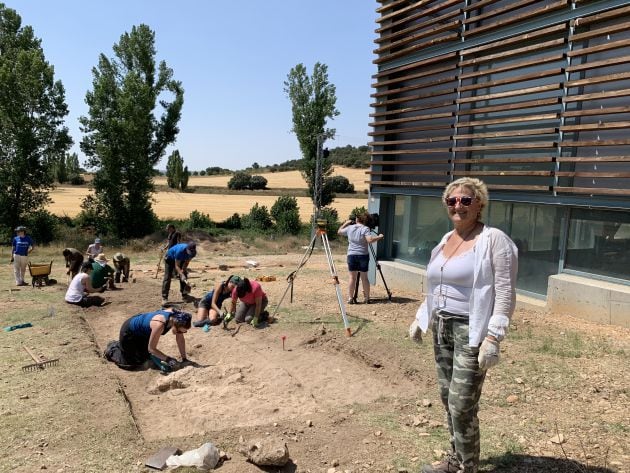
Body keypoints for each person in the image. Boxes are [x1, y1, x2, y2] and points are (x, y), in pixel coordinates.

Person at [411, 178, 518, 473]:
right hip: (442, 327)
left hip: (472, 331)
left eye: (466, 200)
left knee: (461, 404)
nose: (459, 205)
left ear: (479, 204)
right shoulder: (447, 239)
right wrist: (423, 317)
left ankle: (468, 468)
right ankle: (455, 459)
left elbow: (505, 292)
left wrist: (494, 336)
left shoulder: (493, 239)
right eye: (453, 201)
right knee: (447, 398)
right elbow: (436, 284)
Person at [105, 308, 192, 373]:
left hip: (143, 333)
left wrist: (184, 359)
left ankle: (124, 346)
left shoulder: (177, 316)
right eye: (180, 331)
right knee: (133, 363)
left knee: (145, 357)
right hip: (129, 332)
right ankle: (112, 349)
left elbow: (180, 339)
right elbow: (152, 349)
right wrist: (169, 360)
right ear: (175, 325)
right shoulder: (159, 325)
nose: (180, 333)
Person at [337, 213, 384, 304]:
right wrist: (379, 237)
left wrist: (346, 223)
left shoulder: (350, 228)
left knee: (352, 277)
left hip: (351, 255)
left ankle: (350, 298)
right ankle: (367, 298)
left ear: (357, 220)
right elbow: (369, 240)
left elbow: (339, 231)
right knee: (364, 278)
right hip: (363, 255)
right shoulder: (365, 229)